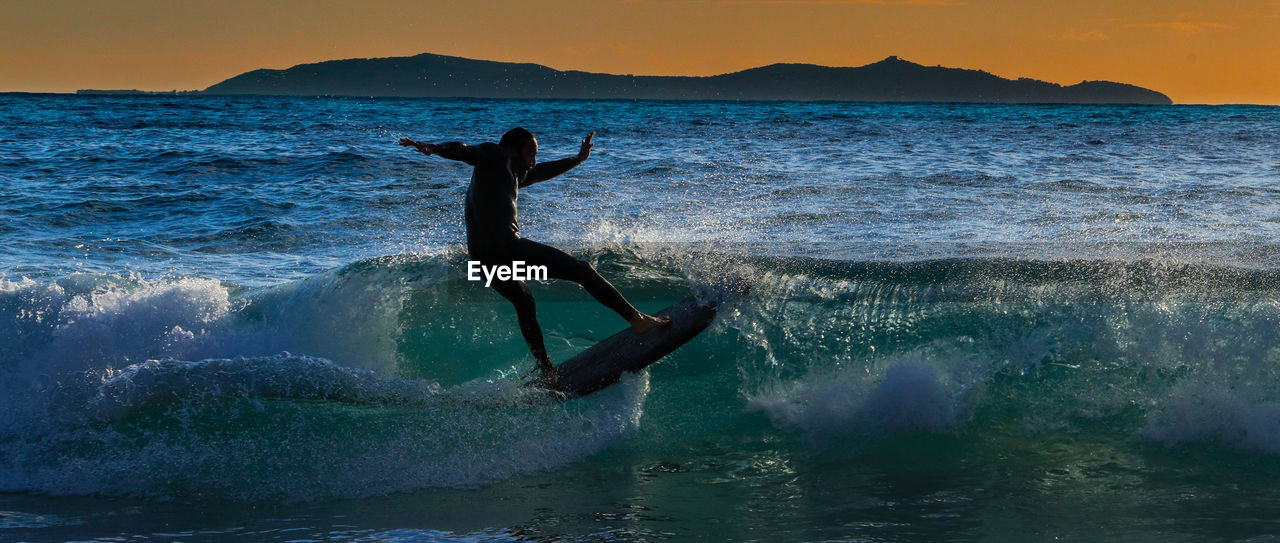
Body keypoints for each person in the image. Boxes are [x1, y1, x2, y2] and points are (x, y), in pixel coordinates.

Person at [399, 127, 669, 385]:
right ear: (514, 150)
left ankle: (546, 370)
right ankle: (638, 320)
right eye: (531, 153)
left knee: (525, 300)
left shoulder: (507, 173)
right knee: (582, 271)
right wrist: (434, 148)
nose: (534, 160)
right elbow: (465, 150)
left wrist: (577, 159)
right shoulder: (495, 155)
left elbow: (541, 171)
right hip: (507, 250)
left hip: (484, 265)